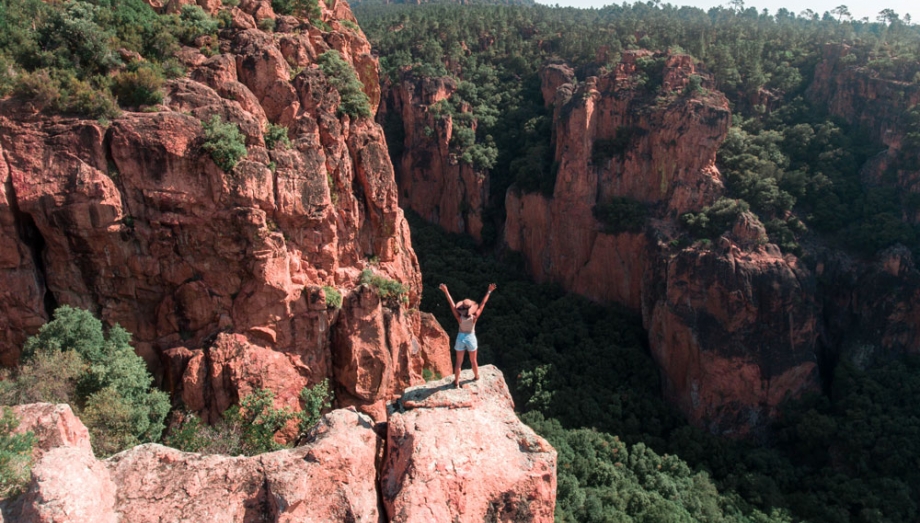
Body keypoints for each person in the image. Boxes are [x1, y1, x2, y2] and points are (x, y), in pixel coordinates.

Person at [439, 282, 497, 388]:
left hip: (460, 337)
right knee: (473, 360)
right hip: (471, 337)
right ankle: (476, 376)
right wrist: (489, 291)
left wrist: (446, 291)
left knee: (458, 362)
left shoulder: (459, 317)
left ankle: (456, 382)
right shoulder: (475, 317)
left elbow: (451, 304)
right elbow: (483, 303)